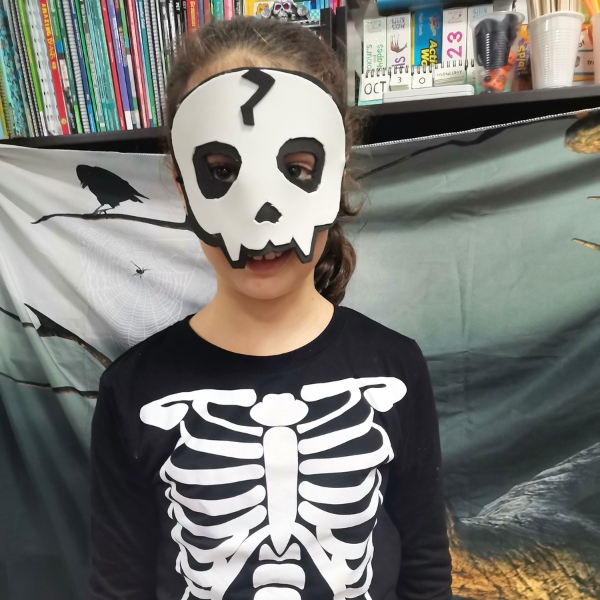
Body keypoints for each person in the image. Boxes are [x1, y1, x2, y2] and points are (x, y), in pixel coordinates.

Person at [88, 17, 452, 600]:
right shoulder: (133, 389)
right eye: (222, 173)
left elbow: (426, 572)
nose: (261, 214)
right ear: (183, 186)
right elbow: (118, 586)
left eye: (297, 170)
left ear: (335, 176)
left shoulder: (395, 367)